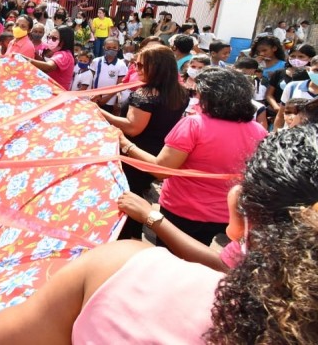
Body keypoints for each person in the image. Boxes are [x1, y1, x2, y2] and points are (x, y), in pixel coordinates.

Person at [0, 124, 318, 345]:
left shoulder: (124, 269)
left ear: (238, 207)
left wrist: (152, 216)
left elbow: (5, 336)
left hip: (179, 214)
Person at [121, 67, 268, 246]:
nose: (196, 99)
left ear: (209, 97)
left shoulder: (194, 125)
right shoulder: (258, 130)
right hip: (228, 214)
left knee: (174, 264)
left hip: (184, 212)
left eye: (198, 94)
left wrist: (126, 145)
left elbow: (161, 170)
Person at [102, 45, 189, 239]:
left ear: (156, 67)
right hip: (157, 152)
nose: (136, 69)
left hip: (135, 153)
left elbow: (133, 127)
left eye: (141, 66)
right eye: (135, 64)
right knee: (135, 194)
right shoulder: (179, 92)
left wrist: (99, 112)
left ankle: (127, 239)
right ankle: (133, 235)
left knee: (127, 197)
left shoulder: (146, 94)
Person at [265, 43, 315, 113]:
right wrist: (276, 107)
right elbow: (269, 94)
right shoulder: (279, 73)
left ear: (310, 58)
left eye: (301, 56)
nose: (296, 59)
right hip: (276, 112)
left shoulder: (313, 76)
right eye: (293, 56)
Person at [89, 37, 127, 111]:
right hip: (94, 97)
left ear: (118, 48)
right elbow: (90, 79)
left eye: (114, 47)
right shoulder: (96, 61)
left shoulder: (121, 64)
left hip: (109, 100)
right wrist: (92, 94)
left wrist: (107, 98)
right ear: (104, 48)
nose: (111, 50)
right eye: (108, 47)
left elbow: (119, 85)